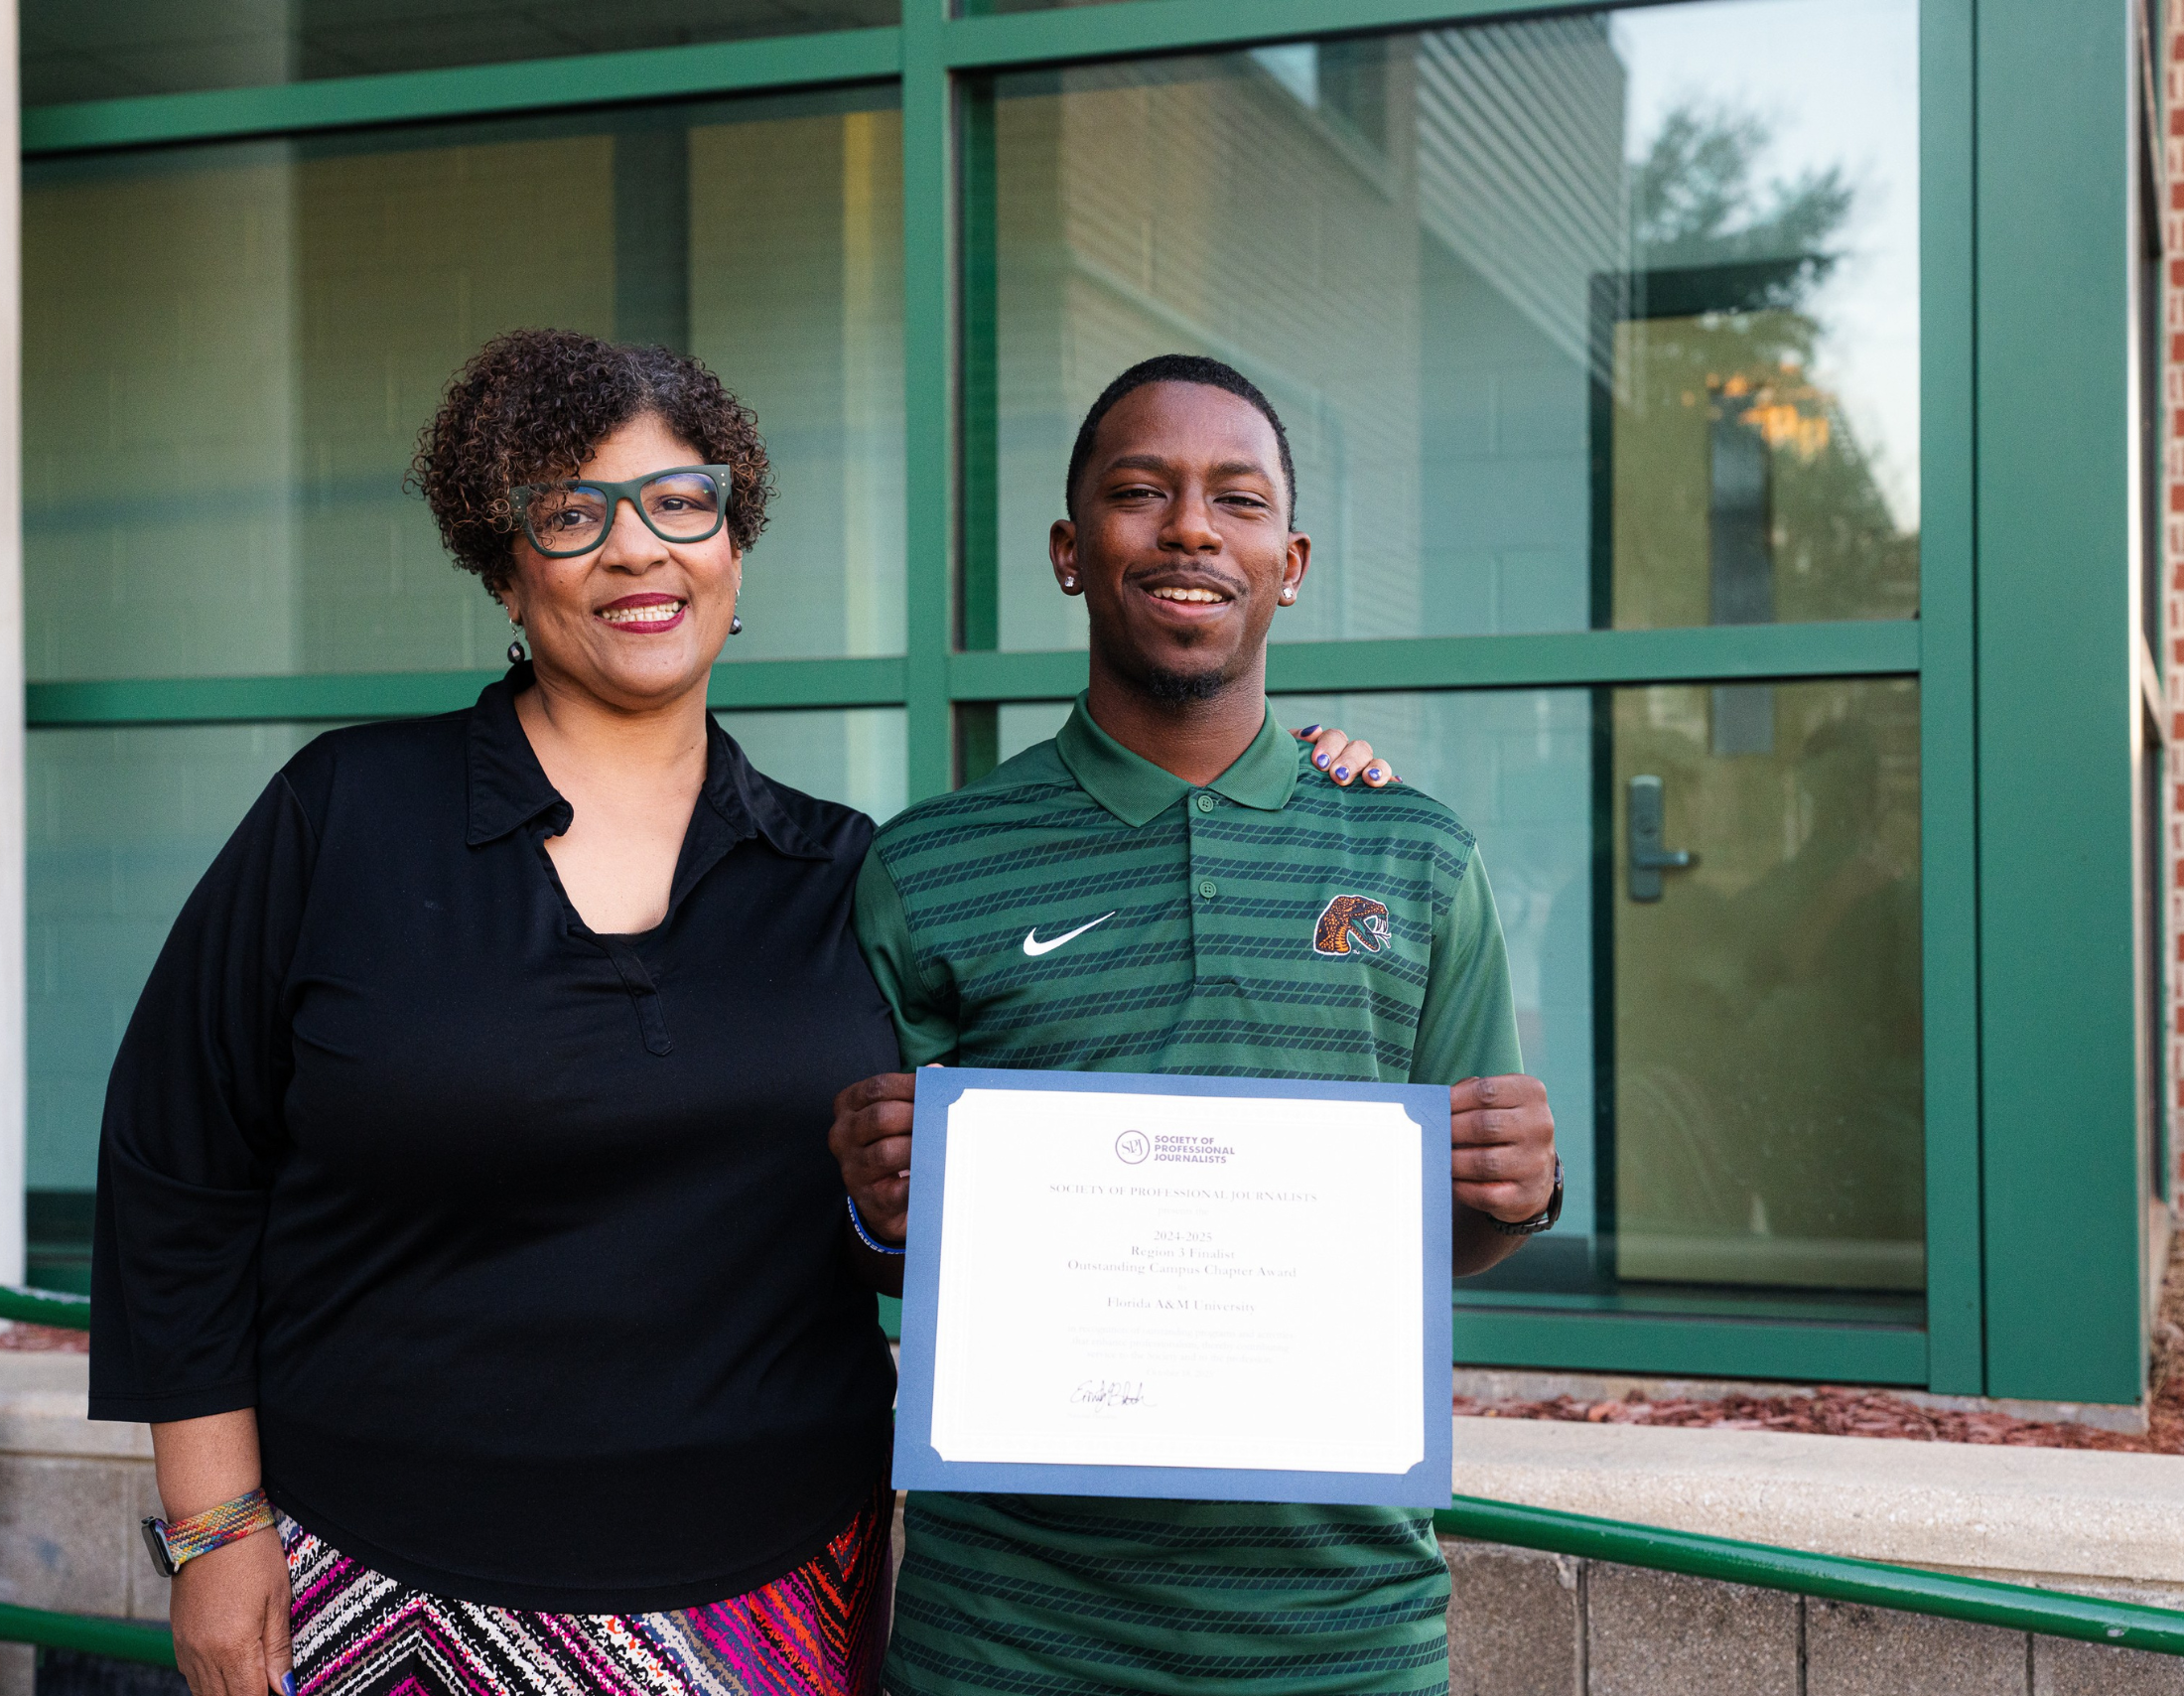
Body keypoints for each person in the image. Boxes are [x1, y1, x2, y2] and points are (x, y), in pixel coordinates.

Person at [87, 329, 1392, 1696]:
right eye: (575, 514)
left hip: (770, 1610)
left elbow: (1026, 1128)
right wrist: (214, 1530)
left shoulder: (849, 875)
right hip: (377, 1590)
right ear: (506, 569)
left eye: (681, 504)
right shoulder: (344, 819)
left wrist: (1283, 790)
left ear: (734, 549)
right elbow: (176, 1167)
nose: (639, 549)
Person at [829, 353, 1564, 1696]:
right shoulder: (932, 866)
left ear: (1288, 563)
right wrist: (882, 1207)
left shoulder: (1412, 857)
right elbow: (892, 1258)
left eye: (1235, 500)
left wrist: (1514, 1194)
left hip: (1336, 1633)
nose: (1187, 528)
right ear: (1069, 550)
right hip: (1007, 1637)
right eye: (1140, 492)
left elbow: (1445, 1236)